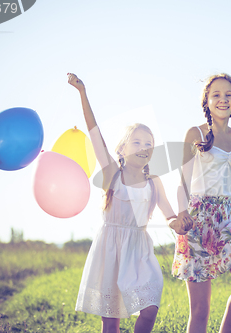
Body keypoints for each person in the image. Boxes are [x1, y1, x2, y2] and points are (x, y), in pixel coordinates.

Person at [67, 73, 190, 333]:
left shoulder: (154, 181)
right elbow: (94, 132)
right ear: (121, 149)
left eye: (149, 144)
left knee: (150, 307)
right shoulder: (113, 174)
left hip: (139, 250)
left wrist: (177, 223)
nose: (144, 147)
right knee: (111, 318)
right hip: (110, 248)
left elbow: (168, 214)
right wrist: (82, 93)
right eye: (136, 142)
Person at [172, 73, 231, 333]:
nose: (223, 99)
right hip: (198, 217)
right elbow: (183, 182)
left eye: (228, 95)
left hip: (229, 216)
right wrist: (181, 213)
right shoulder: (195, 133)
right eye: (216, 94)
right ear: (207, 101)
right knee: (200, 310)